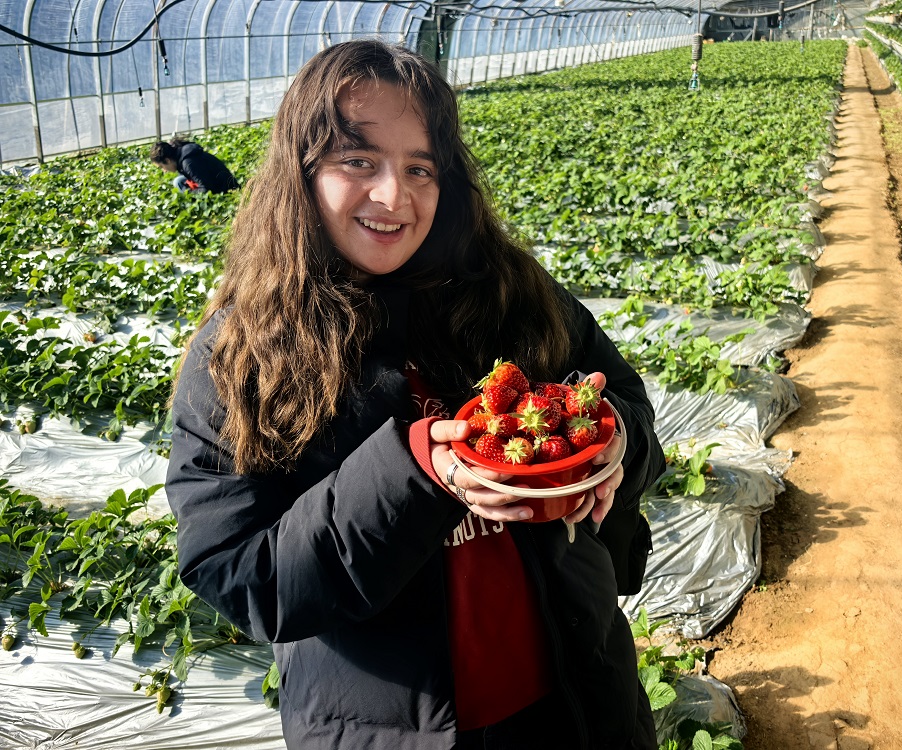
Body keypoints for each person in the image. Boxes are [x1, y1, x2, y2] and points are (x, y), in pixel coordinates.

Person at [165, 38, 665, 750]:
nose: (393, 196)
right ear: (299, 173)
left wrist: (613, 447)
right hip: (386, 731)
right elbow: (238, 571)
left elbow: (626, 408)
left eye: (420, 168)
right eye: (358, 160)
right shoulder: (245, 354)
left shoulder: (511, 294)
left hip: (578, 702)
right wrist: (415, 473)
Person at [149, 137, 240, 194]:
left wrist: (188, 192)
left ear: (167, 160)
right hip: (215, 183)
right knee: (179, 181)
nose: (164, 170)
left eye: (161, 167)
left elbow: (207, 189)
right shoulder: (182, 154)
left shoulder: (188, 163)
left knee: (180, 184)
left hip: (226, 190)